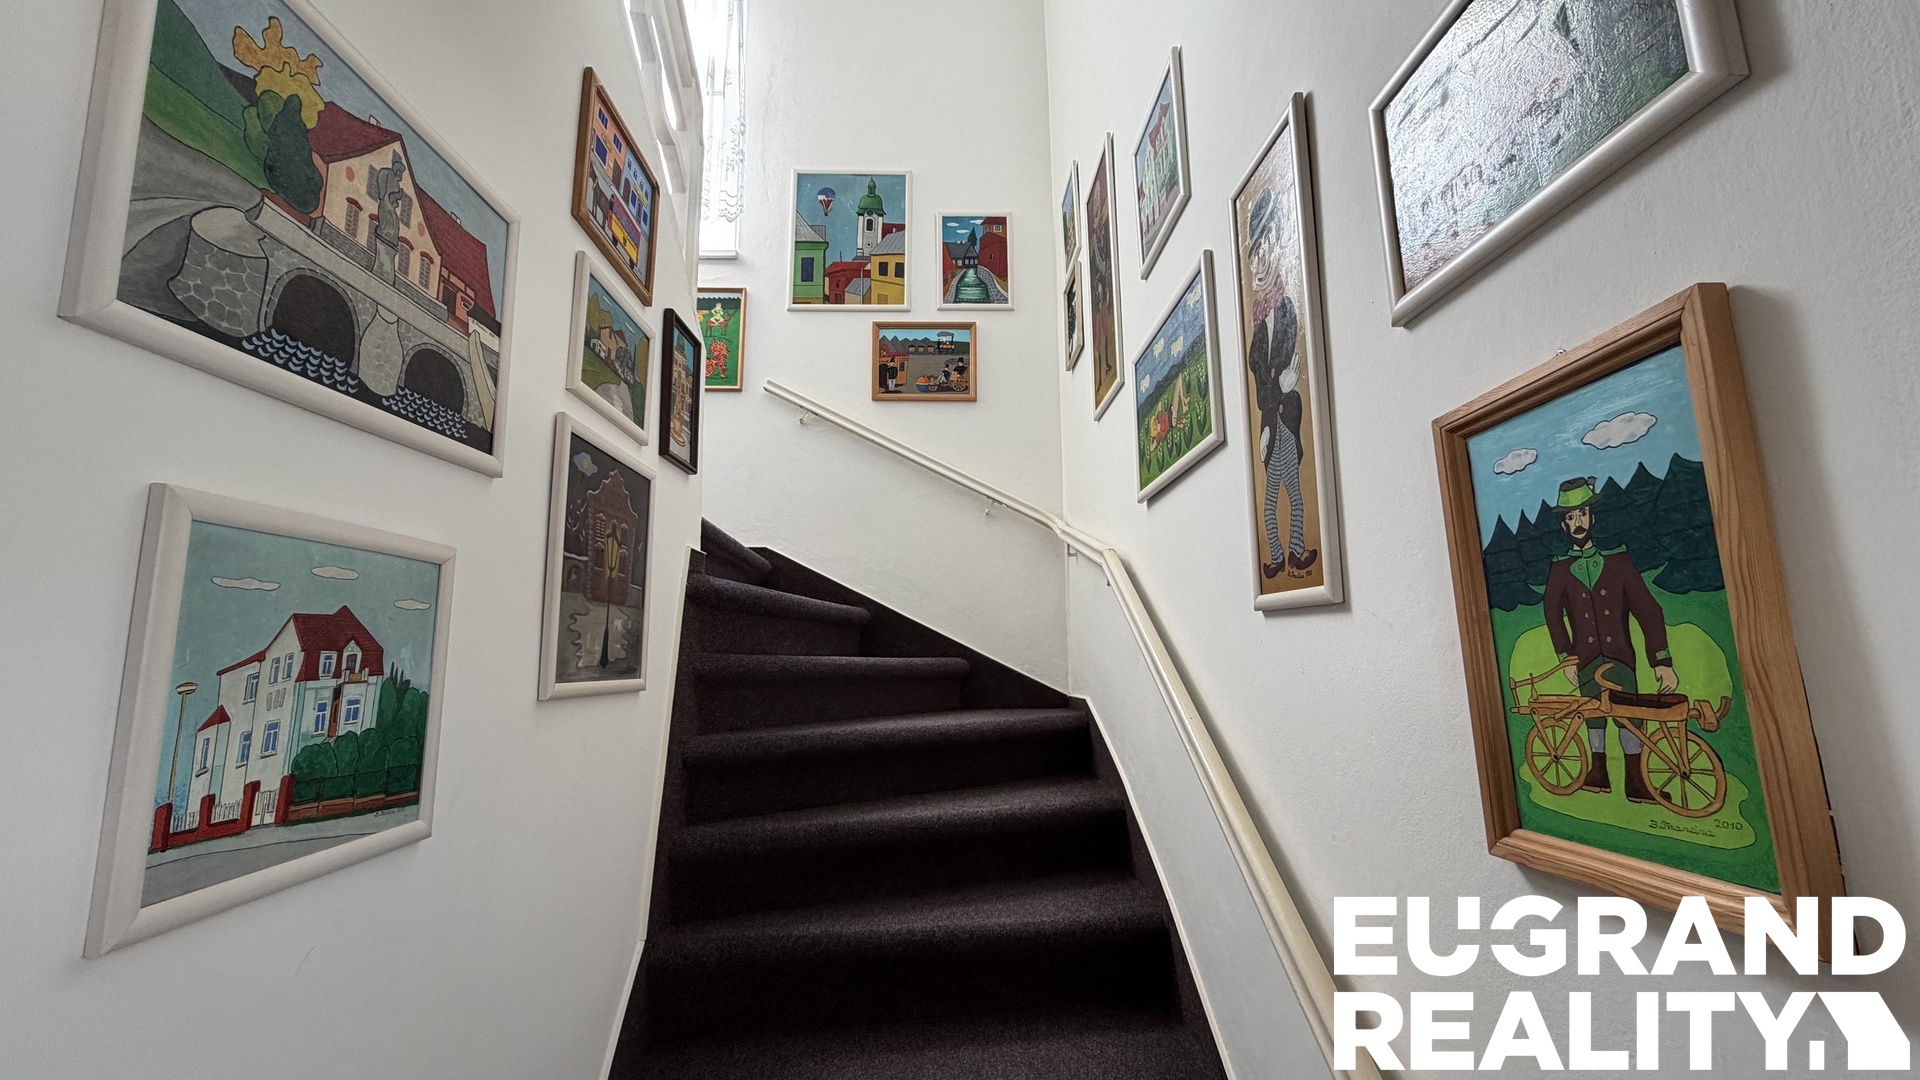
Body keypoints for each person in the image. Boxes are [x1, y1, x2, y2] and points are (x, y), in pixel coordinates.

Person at [1541, 477, 1679, 802]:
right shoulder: (1559, 570)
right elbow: (1552, 614)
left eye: (1583, 514)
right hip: (1586, 660)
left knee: (1630, 716)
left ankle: (1636, 781)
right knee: (1593, 715)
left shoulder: (1619, 562)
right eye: (1571, 516)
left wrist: (1661, 661)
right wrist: (1566, 656)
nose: (1578, 522)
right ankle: (1597, 773)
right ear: (1563, 525)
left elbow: (1649, 610)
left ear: (1593, 518)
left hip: (1619, 657)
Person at [1244, 189, 1316, 579]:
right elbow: (1261, 388)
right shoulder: (1259, 327)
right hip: (1273, 423)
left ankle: (1287, 555)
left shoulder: (1287, 309)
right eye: (1252, 254)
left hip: (1288, 420)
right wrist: (1279, 389)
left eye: (1262, 249)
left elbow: (1284, 372)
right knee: (1275, 498)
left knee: (1290, 495)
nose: (1256, 262)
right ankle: (1281, 556)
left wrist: (1284, 389)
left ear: (1275, 242)